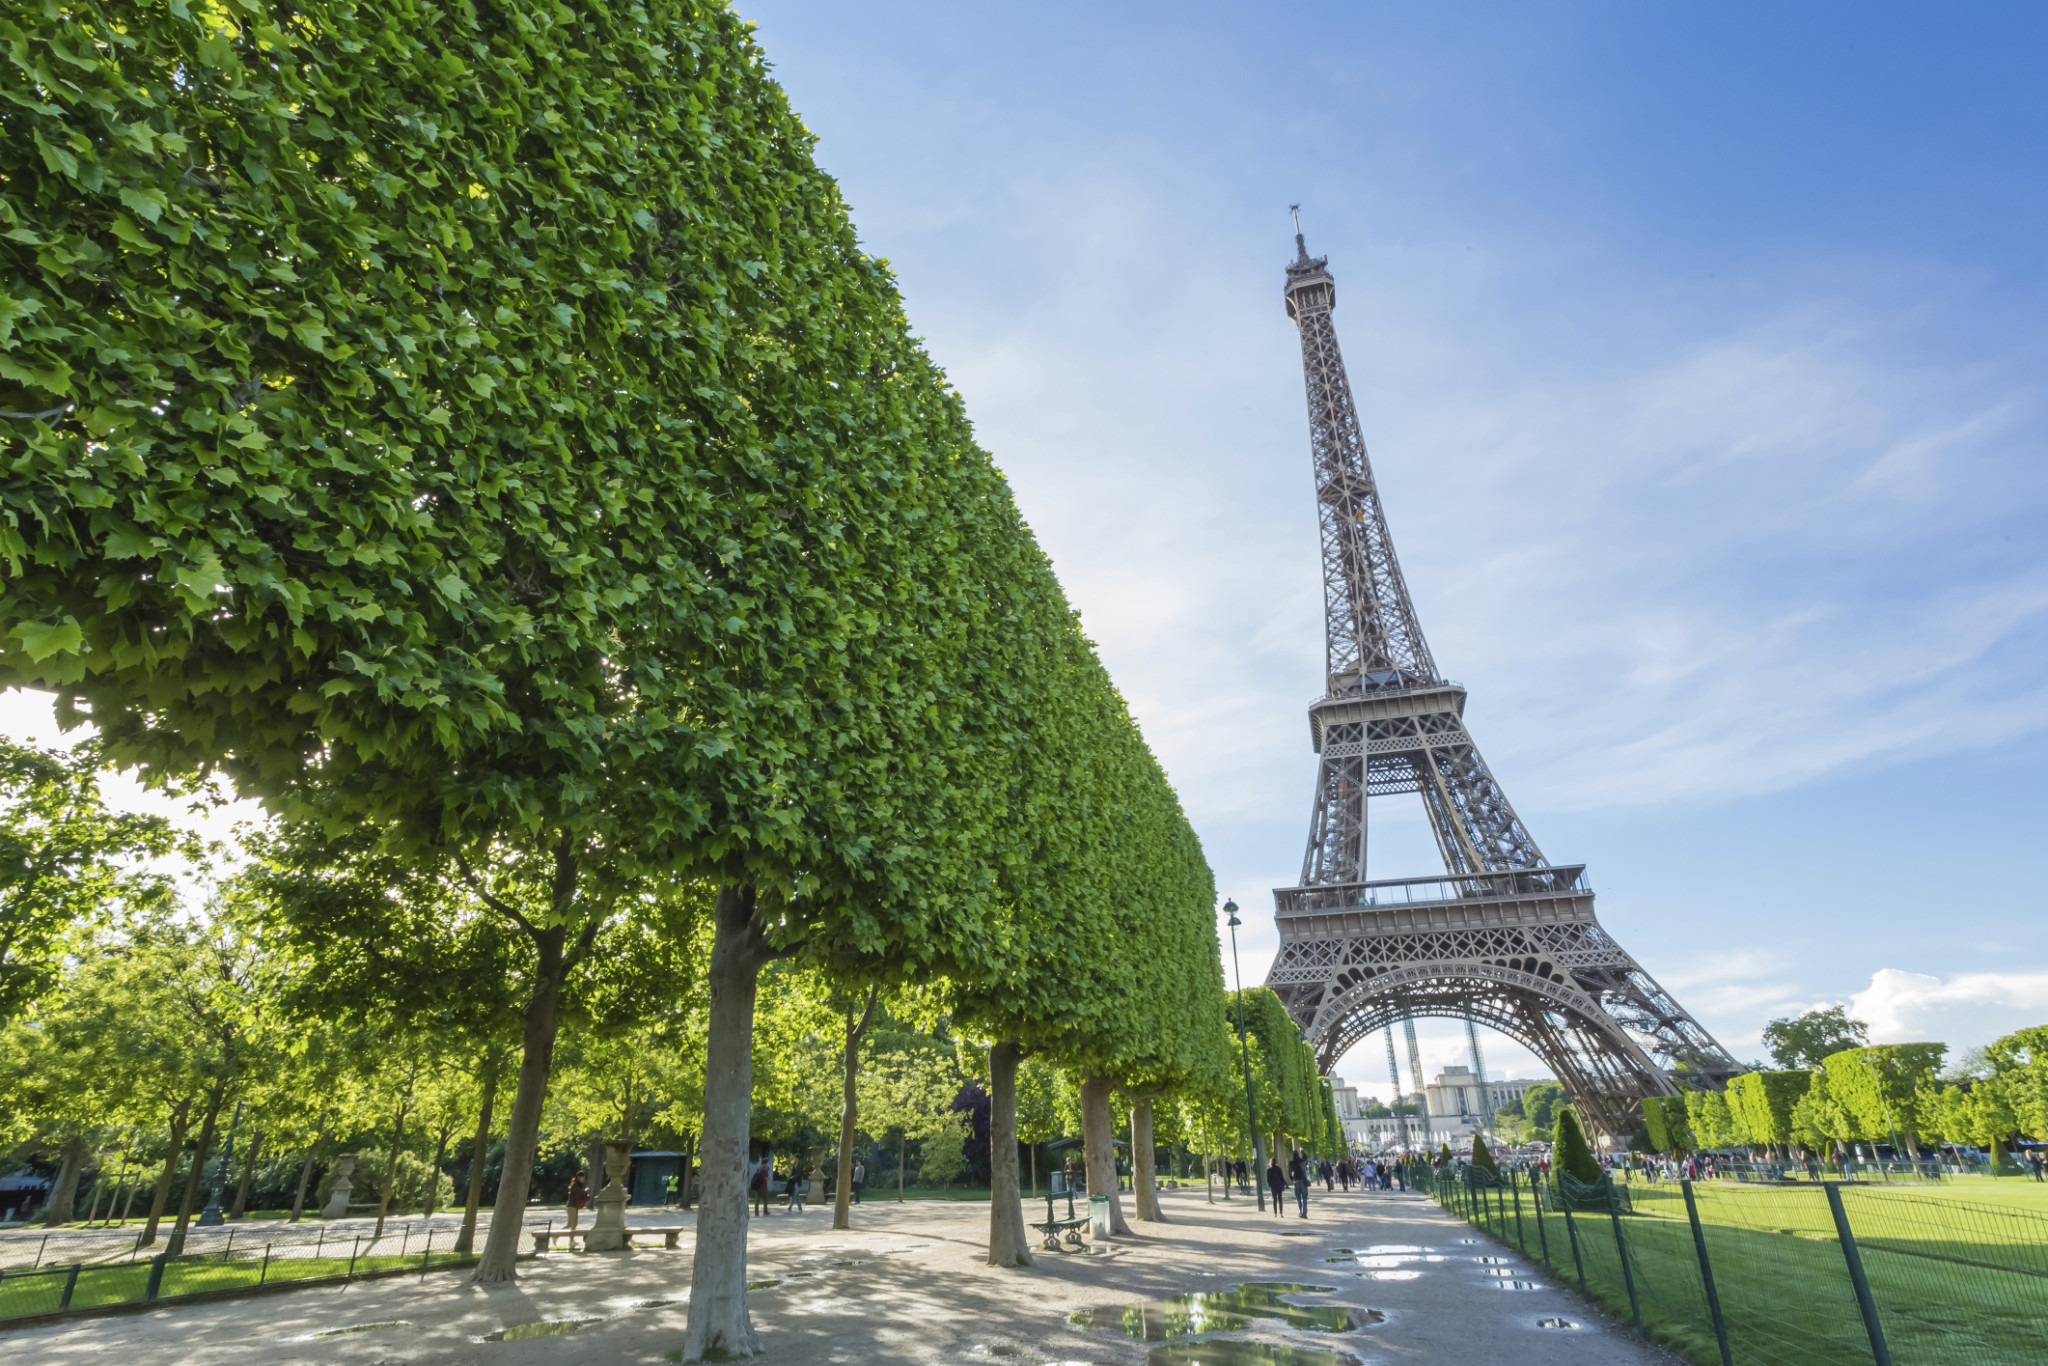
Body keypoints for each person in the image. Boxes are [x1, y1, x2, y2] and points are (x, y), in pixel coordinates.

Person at [1288, 1149, 1311, 1217]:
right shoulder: (1302, 1161)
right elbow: (1306, 1157)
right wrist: (1302, 1151)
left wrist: (1292, 1179)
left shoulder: (1291, 1163)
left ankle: (1301, 1211)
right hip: (1303, 1180)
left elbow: (1289, 1173)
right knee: (1304, 1197)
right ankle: (1304, 1212)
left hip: (1296, 1181)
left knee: (1298, 1198)